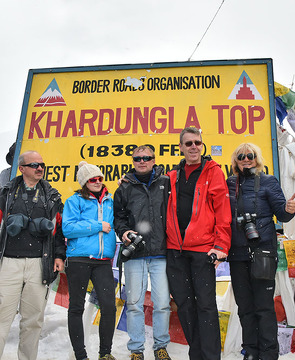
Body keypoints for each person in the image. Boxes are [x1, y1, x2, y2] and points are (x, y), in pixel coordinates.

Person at [226, 143, 295, 360]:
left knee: (264, 307)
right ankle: (250, 351)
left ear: (257, 158)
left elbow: (282, 216)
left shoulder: (268, 181)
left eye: (250, 155)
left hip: (263, 252)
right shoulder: (228, 183)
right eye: (241, 156)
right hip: (237, 253)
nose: (246, 159)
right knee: (245, 307)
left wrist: (287, 210)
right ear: (235, 160)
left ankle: (268, 354)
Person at [166, 127, 232, 360]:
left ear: (202, 146)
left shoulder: (213, 171)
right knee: (184, 306)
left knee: (205, 306)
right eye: (189, 143)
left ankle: (211, 356)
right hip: (175, 251)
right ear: (181, 147)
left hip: (203, 251)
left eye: (198, 143)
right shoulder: (172, 175)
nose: (194, 146)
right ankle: (196, 354)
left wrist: (221, 246)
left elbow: (223, 211)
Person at [0, 150, 65, 360]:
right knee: (2, 318)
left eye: (42, 165)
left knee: (33, 320)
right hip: (8, 263)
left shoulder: (52, 196)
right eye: (34, 165)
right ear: (21, 168)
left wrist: (59, 256)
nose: (40, 169)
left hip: (39, 263)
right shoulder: (5, 194)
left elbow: (59, 230)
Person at [114, 146, 172, 360]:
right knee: (134, 304)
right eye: (138, 158)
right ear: (133, 160)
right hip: (135, 254)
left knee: (163, 304)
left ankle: (160, 347)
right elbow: (118, 218)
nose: (142, 161)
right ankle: (136, 350)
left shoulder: (166, 182)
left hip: (160, 253)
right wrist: (124, 231)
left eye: (146, 157)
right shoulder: (124, 187)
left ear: (154, 160)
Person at [62, 161, 117, 360]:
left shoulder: (110, 201)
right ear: (84, 182)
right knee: (76, 306)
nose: (97, 182)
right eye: (92, 179)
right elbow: (68, 228)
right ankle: (80, 355)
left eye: (99, 178)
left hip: (103, 260)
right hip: (78, 259)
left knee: (109, 306)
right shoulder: (74, 201)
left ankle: (105, 353)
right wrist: (97, 226)